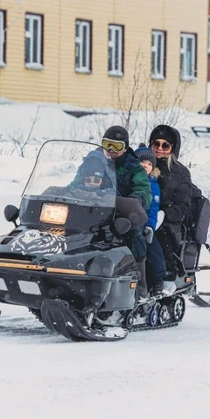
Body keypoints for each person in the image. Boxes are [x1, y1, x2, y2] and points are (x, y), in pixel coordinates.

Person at [73, 126, 152, 300]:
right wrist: (70, 193)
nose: (111, 150)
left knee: (135, 236)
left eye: (116, 146)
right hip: (89, 211)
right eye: (107, 144)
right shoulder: (92, 161)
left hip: (121, 214)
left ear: (125, 148)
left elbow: (144, 191)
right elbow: (76, 183)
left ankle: (140, 288)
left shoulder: (134, 167)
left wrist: (133, 202)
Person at [150, 124, 193, 281]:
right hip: (140, 214)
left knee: (159, 234)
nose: (160, 148)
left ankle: (166, 276)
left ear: (172, 148)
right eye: (156, 144)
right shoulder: (143, 163)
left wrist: (163, 214)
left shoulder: (180, 173)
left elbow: (182, 206)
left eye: (165, 145)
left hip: (167, 221)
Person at [135, 144, 175, 295]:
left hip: (143, 222)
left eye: (149, 163)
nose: (145, 165)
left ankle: (158, 279)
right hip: (127, 220)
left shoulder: (153, 185)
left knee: (153, 248)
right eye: (142, 162)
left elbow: (153, 209)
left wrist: (150, 226)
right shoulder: (129, 179)